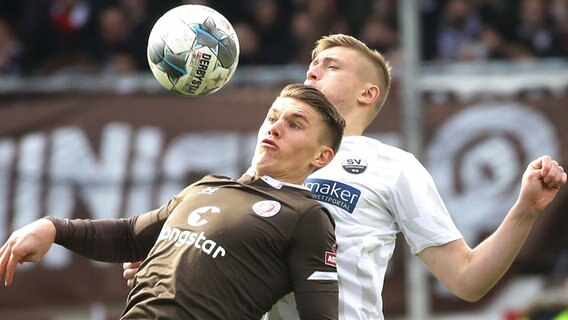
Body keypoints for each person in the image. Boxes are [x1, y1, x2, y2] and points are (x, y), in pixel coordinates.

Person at [124, 34, 568, 319]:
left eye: (331, 66)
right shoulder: (269, 160)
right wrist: (167, 264)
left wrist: (525, 211)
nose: (313, 70)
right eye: (312, 66)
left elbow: (467, 279)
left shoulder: (393, 167)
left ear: (367, 93)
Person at [0, 83, 346, 320]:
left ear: (321, 156)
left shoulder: (306, 215)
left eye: (294, 124)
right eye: (272, 117)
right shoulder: (209, 186)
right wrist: (54, 228)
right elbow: (129, 236)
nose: (275, 128)